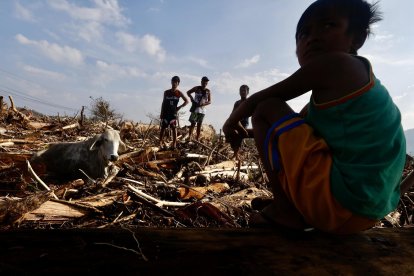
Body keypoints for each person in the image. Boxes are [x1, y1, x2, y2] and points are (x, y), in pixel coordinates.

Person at [222, 0, 406, 234]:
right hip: (364, 211)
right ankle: (296, 206)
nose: (313, 37)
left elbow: (259, 102)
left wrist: (231, 124)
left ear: (356, 39)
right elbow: (282, 134)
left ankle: (286, 210)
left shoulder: (339, 64)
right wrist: (249, 133)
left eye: (328, 25)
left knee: (268, 107)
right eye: (303, 33)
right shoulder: (339, 95)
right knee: (275, 118)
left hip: (341, 204)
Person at [159, 76, 189, 149]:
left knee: (174, 127)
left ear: (178, 83)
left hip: (173, 113)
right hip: (166, 113)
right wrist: (161, 113)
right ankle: (160, 142)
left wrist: (179, 107)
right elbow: (163, 103)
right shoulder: (166, 92)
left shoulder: (179, 93)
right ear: (171, 82)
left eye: (176, 82)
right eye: (173, 82)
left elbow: (187, 101)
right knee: (163, 127)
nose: (174, 83)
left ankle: (174, 144)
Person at [230, 84, 254, 160]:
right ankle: (235, 153)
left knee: (239, 136)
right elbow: (232, 113)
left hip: (244, 123)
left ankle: (236, 154)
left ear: (247, 92)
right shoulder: (237, 103)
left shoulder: (249, 101)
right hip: (236, 122)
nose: (242, 92)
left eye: (244, 91)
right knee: (232, 136)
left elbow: (253, 112)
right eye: (241, 91)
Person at [187, 76, 211, 141]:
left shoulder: (208, 91)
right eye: (204, 81)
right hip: (195, 108)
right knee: (193, 123)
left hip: (202, 110)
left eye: (206, 82)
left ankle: (197, 138)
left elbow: (210, 101)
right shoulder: (196, 88)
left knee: (199, 125)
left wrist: (204, 104)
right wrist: (192, 99)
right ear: (201, 82)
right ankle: (189, 137)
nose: (205, 83)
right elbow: (188, 92)